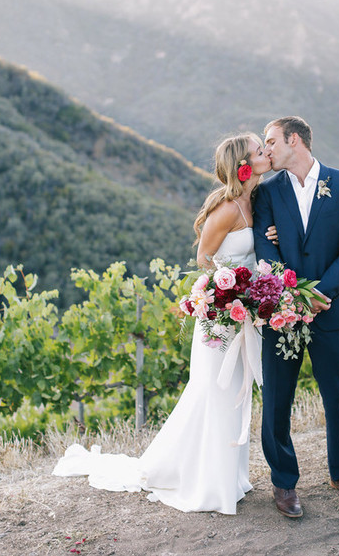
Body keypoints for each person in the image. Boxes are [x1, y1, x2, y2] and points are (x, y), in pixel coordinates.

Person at [53, 133, 271, 515]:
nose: (265, 154)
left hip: (242, 313)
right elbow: (205, 257)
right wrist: (232, 286)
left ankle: (230, 477)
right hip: (220, 314)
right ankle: (208, 482)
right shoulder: (226, 209)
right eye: (259, 151)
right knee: (214, 393)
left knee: (234, 394)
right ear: (244, 165)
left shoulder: (253, 201)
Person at [253, 116, 339, 519]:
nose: (266, 149)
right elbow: (263, 251)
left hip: (330, 309)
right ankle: (284, 482)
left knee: (337, 396)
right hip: (283, 312)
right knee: (277, 399)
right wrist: (288, 296)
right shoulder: (266, 193)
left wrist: (320, 293)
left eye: (271, 141)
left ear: (294, 140)